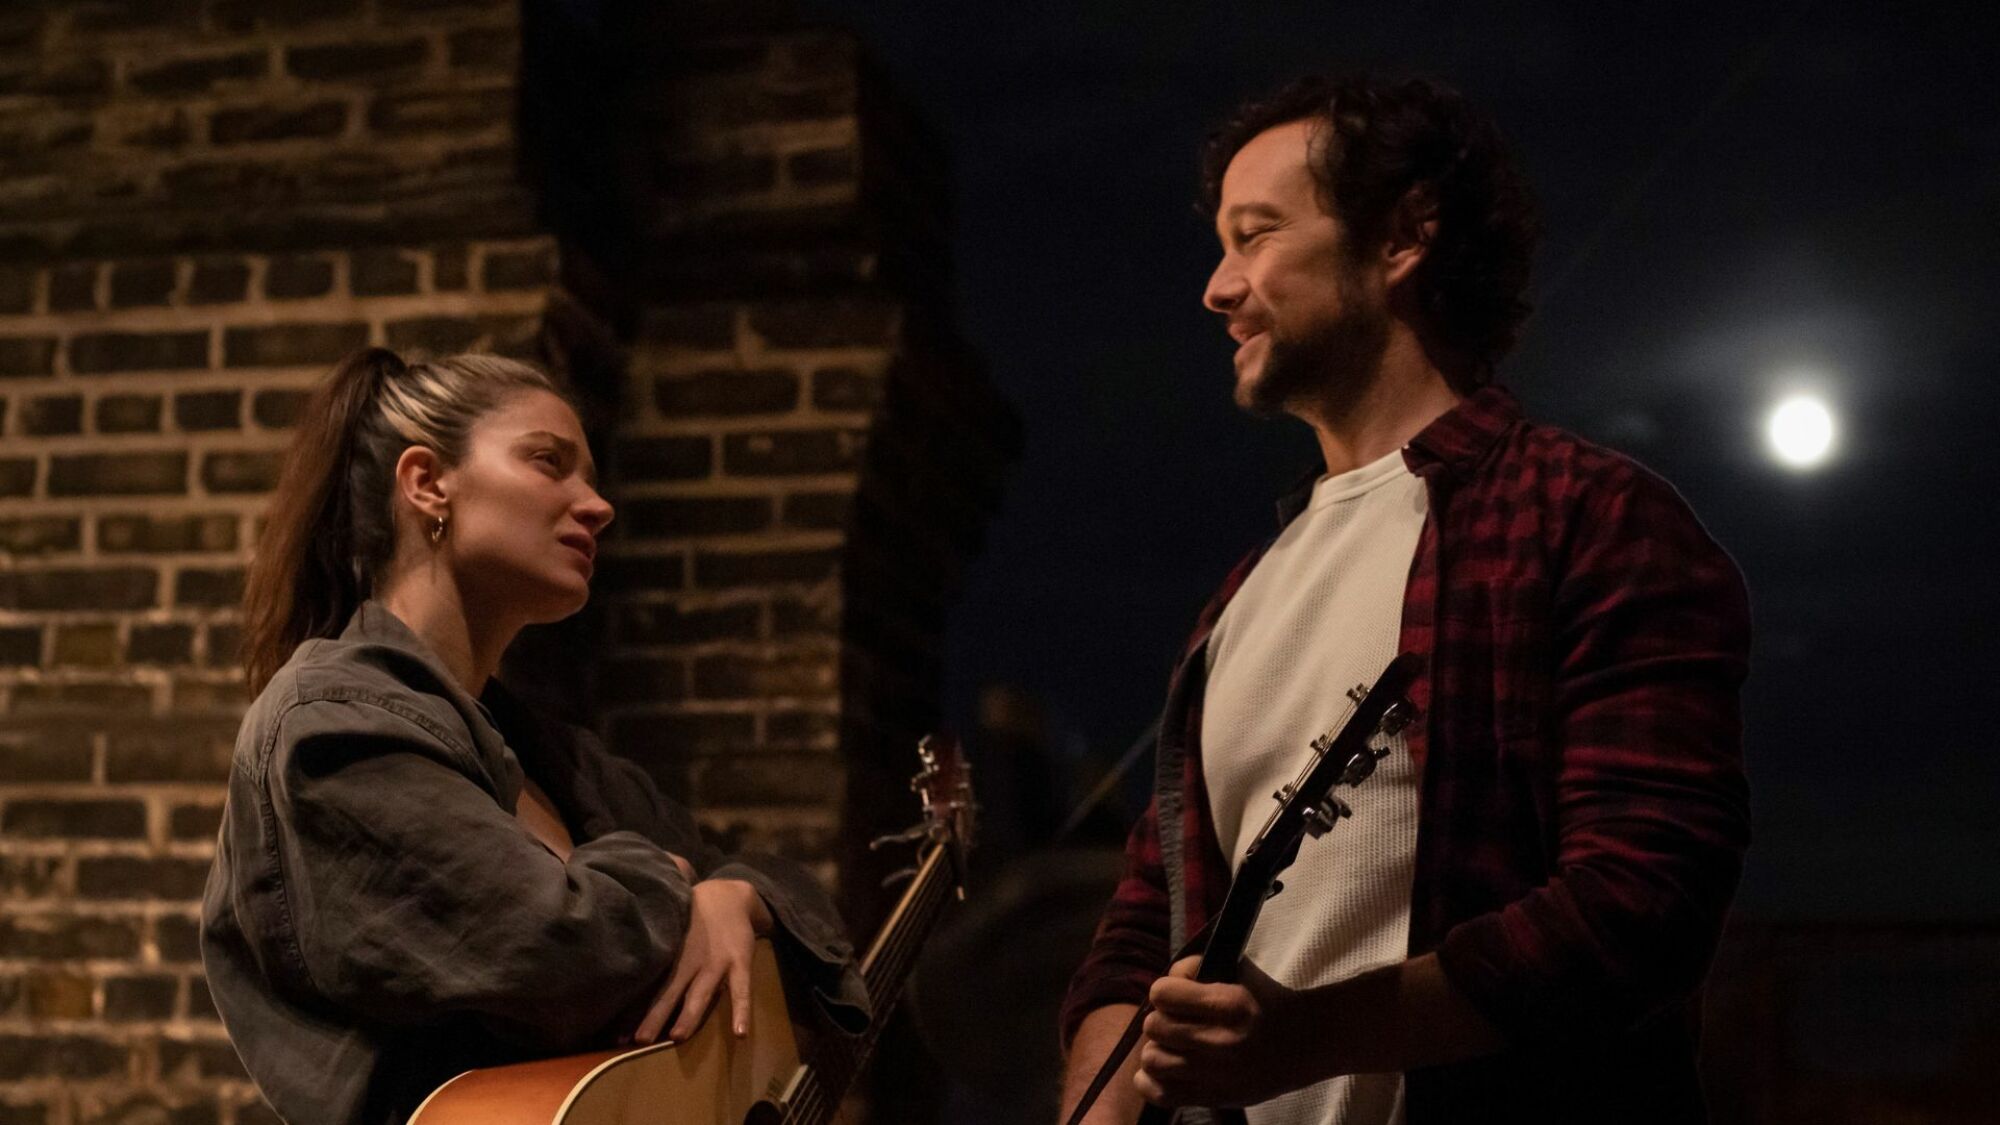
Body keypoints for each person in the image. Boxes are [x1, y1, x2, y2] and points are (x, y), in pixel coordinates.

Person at [1057, 74, 1752, 1125]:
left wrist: (1305, 1038)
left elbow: (1639, 902)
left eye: (1255, 236)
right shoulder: (1237, 603)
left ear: (1402, 238)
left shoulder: (1590, 518)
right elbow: (1143, 926)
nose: (1215, 285)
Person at [200, 348, 866, 1124]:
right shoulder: (331, 724)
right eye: (549, 462)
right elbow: (555, 950)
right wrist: (678, 881)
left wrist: (738, 896)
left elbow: (801, 912)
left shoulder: (565, 761)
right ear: (426, 483)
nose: (599, 504)